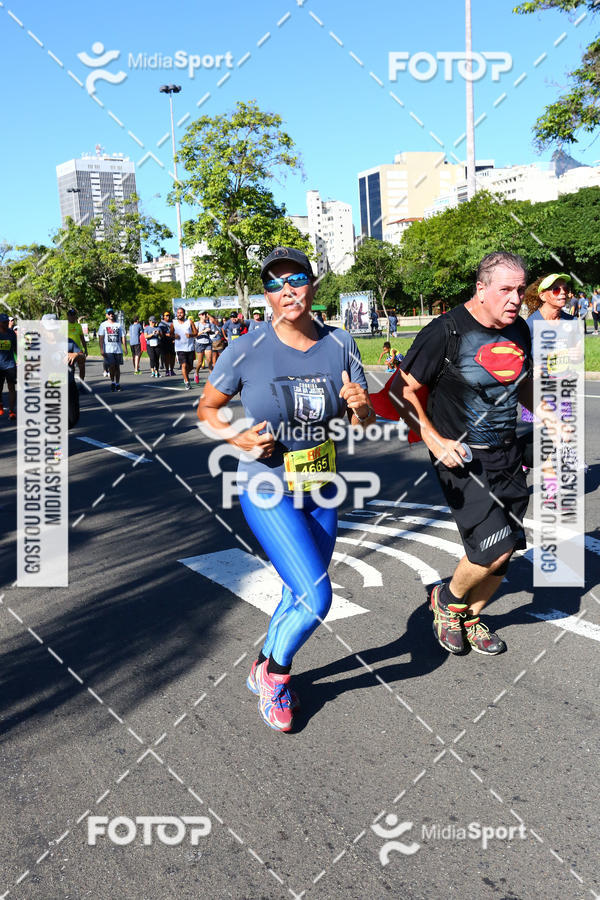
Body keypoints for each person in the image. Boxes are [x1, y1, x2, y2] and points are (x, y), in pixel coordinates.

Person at [198, 246, 375, 732]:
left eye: (295, 279)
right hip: (266, 484)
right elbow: (207, 408)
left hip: (321, 483)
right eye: (274, 284)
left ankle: (263, 660)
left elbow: (363, 418)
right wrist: (234, 435)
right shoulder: (246, 348)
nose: (286, 290)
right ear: (266, 296)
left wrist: (361, 407)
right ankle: (276, 678)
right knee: (317, 597)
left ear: (313, 285)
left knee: (296, 590)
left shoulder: (340, 342)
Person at [392, 251, 534, 657]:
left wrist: (552, 416)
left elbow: (523, 382)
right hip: (461, 456)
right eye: (506, 289)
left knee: (504, 553)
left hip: (508, 452)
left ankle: (469, 616)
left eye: (520, 290)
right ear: (481, 288)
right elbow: (402, 392)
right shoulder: (446, 331)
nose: (515, 298)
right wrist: (433, 438)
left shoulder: (519, 329)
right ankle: (446, 601)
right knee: (495, 547)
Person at [97, 308, 127, 391]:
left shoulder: (119, 325)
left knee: (117, 367)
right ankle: (112, 382)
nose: (111, 315)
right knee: (111, 366)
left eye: (112, 313)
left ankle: (117, 384)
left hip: (118, 349)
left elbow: (123, 336)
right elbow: (101, 338)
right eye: (109, 313)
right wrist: (101, 349)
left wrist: (125, 348)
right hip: (108, 349)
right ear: (106, 315)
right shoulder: (103, 325)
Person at [171, 307, 197, 390]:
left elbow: (196, 333)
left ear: (184, 314)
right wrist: (174, 336)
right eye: (178, 312)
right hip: (179, 348)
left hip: (189, 347)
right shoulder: (173, 323)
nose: (179, 314)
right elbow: (170, 334)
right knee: (184, 365)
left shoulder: (189, 322)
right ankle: (187, 382)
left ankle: (185, 375)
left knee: (190, 367)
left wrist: (191, 335)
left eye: (181, 312)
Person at [0, 312, 17, 421]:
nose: (6, 324)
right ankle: (1, 405)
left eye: (7, 322)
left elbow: (16, 347)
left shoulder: (11, 334)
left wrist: (19, 358)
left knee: (11, 388)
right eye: (4, 322)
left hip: (10, 364)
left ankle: (11, 411)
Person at [66, 308, 87, 380]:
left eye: (73, 315)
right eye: (70, 315)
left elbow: (82, 338)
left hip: (78, 349)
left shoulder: (78, 326)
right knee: (71, 368)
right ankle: (71, 383)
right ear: (67, 316)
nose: (72, 317)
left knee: (82, 367)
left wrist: (85, 349)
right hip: (69, 350)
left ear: (75, 316)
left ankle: (82, 383)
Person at [159, 311, 176, 375]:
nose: (167, 317)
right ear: (163, 316)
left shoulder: (173, 323)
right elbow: (162, 334)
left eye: (168, 315)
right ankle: (167, 370)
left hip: (172, 341)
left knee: (172, 356)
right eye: (166, 315)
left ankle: (171, 370)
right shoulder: (161, 324)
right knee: (167, 356)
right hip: (165, 341)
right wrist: (169, 335)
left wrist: (174, 337)